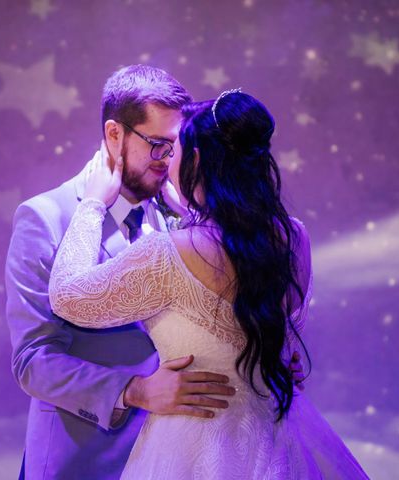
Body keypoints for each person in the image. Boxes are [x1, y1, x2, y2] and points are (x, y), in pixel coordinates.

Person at [48, 90, 369, 479]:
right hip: (278, 436)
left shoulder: (167, 252)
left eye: (175, 150)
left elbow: (68, 298)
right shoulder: (294, 238)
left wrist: (92, 205)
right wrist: (192, 205)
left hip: (194, 445)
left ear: (196, 159)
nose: (167, 161)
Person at [5, 66, 305, 479]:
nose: (168, 161)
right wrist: (134, 391)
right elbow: (32, 359)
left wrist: (258, 354)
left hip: (185, 454)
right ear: (115, 134)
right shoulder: (46, 217)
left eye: (176, 147)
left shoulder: (186, 220)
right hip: (82, 459)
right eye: (158, 145)